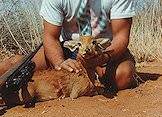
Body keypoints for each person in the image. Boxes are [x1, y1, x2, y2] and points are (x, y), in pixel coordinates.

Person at [0, 0, 136, 92]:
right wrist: (59, 62)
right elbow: (50, 37)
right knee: (9, 67)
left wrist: (104, 57)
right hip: (68, 47)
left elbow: (121, 37)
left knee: (122, 77)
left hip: (103, 48)